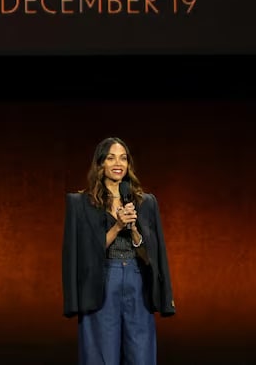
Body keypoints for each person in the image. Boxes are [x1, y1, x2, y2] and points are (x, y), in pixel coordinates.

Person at [61, 136, 175, 365]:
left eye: (123, 158)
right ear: (100, 163)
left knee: (141, 356)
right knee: (101, 356)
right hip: (102, 282)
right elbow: (82, 254)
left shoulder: (145, 202)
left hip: (137, 280)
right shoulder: (81, 203)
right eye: (111, 158)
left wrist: (134, 231)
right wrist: (117, 227)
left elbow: (154, 255)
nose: (118, 163)